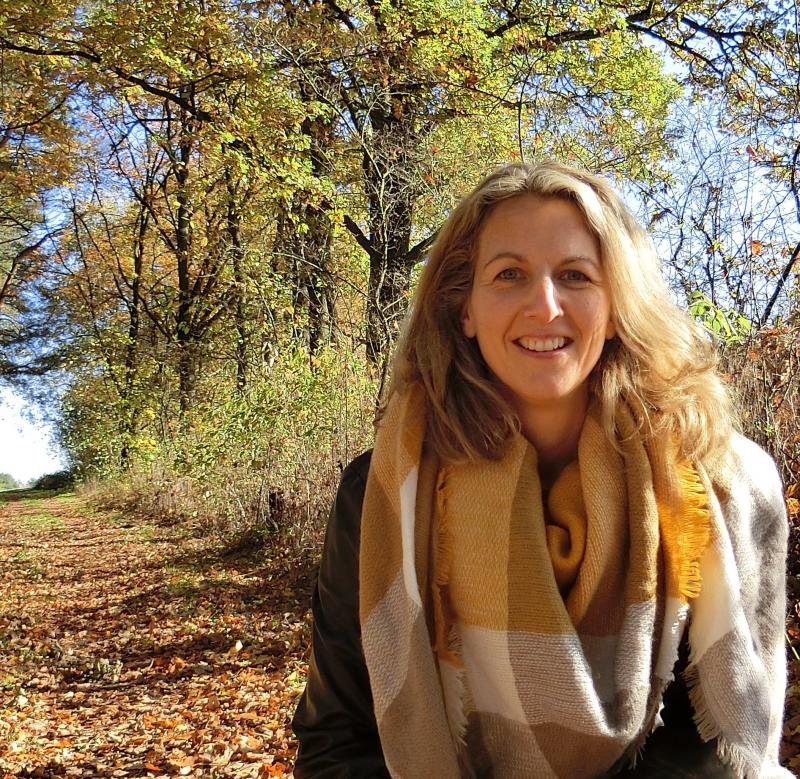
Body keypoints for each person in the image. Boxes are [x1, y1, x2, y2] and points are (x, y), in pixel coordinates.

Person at [292, 162, 792, 778]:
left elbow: (713, 752)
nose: (544, 305)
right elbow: (338, 740)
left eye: (576, 275)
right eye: (509, 275)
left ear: (616, 307)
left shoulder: (722, 481)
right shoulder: (383, 493)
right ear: (464, 308)